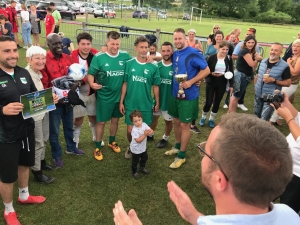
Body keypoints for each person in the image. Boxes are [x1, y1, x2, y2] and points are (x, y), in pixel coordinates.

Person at [113, 113, 300, 225]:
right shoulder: (288, 214)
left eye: (204, 151)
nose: (202, 157)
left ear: (220, 180)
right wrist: (196, 217)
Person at [0, 36, 46, 225]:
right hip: (6, 136)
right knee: (8, 174)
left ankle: (24, 196)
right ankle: (8, 210)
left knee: (25, 164)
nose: (12, 55)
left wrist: (48, 101)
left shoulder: (23, 73)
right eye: (6, 51)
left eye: (14, 50)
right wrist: (1, 110)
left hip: (26, 130)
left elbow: (35, 97)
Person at [164, 28, 209, 169]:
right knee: (176, 121)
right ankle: (177, 146)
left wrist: (191, 81)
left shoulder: (194, 52)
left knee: (185, 125)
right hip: (175, 94)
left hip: (189, 96)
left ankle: (181, 156)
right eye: (175, 39)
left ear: (185, 39)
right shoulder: (176, 52)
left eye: (179, 38)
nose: (177, 41)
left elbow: (206, 70)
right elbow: (164, 58)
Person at [41, 33, 84, 168]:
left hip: (69, 101)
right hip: (54, 102)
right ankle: (56, 155)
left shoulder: (68, 58)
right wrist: (55, 98)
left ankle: (71, 147)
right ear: (48, 45)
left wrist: (77, 84)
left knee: (69, 126)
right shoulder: (45, 60)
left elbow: (76, 76)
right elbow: (44, 83)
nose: (59, 46)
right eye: (55, 43)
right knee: (54, 131)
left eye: (60, 43)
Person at [88, 31, 132, 161]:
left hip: (119, 97)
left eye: (117, 44)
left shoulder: (125, 56)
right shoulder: (99, 57)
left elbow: (137, 61)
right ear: (107, 42)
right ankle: (97, 147)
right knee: (101, 122)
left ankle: (111, 141)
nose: (115, 47)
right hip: (104, 96)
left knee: (115, 120)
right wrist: (91, 83)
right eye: (112, 43)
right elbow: (91, 73)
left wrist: (153, 57)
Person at [119, 36, 161, 160]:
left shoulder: (153, 66)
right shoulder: (129, 64)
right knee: (130, 130)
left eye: (146, 47)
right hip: (131, 103)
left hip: (146, 104)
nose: (144, 50)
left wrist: (157, 102)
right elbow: (125, 84)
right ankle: (132, 146)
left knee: (143, 130)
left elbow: (156, 86)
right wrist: (121, 102)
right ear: (135, 48)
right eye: (141, 47)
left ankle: (141, 149)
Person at [26, 46, 57, 184]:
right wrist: (49, 99)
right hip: (34, 116)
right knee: (38, 142)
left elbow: (38, 95)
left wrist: (51, 98)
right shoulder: (26, 75)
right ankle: (37, 172)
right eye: (37, 58)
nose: (41, 61)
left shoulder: (37, 73)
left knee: (44, 138)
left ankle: (42, 161)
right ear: (29, 59)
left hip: (43, 112)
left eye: (43, 58)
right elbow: (28, 101)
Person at [273, 92, 300, 214]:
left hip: (297, 175)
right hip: (286, 164)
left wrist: (288, 118)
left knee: (288, 210)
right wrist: (286, 104)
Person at [224, 28, 262, 111]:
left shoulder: (251, 51)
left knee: (237, 96)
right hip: (240, 76)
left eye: (252, 43)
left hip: (245, 76)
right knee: (235, 96)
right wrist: (257, 59)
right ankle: (231, 114)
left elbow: (259, 58)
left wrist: (258, 58)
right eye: (249, 42)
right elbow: (251, 64)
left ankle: (231, 113)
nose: (251, 44)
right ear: (245, 43)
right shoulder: (244, 51)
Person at [71, 32, 98, 148]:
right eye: (83, 44)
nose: (86, 46)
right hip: (78, 92)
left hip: (93, 92)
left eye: (88, 44)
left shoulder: (96, 55)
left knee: (93, 116)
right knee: (78, 118)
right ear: (78, 44)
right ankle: (75, 138)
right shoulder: (72, 56)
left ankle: (96, 137)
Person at [200, 40, 234, 128]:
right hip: (211, 81)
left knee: (217, 102)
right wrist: (211, 74)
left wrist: (231, 85)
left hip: (222, 82)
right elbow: (206, 70)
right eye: (223, 49)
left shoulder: (229, 58)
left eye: (227, 49)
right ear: (219, 48)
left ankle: (211, 119)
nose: (225, 51)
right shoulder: (211, 57)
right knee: (208, 102)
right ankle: (203, 117)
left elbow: (231, 71)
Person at [254, 43, 291, 121]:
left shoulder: (284, 66)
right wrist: (255, 86)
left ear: (281, 52)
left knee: (264, 119)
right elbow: (257, 76)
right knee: (256, 116)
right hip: (258, 94)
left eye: (276, 50)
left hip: (270, 97)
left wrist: (274, 81)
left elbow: (288, 83)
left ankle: (262, 132)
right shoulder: (263, 62)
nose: (273, 52)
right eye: (272, 49)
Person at [270, 39, 300, 126]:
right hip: (284, 82)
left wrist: (289, 63)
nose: (295, 48)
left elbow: (295, 72)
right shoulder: (291, 57)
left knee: (279, 101)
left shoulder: (298, 59)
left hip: (291, 84)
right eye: (294, 46)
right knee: (281, 100)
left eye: (298, 46)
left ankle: (271, 121)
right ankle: (280, 118)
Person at [149, 41, 174, 148]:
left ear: (172, 51)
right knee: (154, 118)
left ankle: (165, 138)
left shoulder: (177, 67)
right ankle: (150, 134)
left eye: (168, 50)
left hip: (169, 101)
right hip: (157, 100)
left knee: (168, 122)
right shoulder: (157, 66)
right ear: (161, 52)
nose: (166, 53)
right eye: (163, 51)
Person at [129, 110, 153, 179]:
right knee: (135, 161)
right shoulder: (134, 130)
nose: (138, 122)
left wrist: (150, 132)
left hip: (143, 148)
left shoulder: (144, 125)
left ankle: (142, 167)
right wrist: (145, 135)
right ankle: (134, 172)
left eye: (139, 120)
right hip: (136, 149)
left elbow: (151, 130)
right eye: (135, 121)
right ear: (132, 122)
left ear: (142, 118)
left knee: (145, 157)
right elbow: (138, 140)